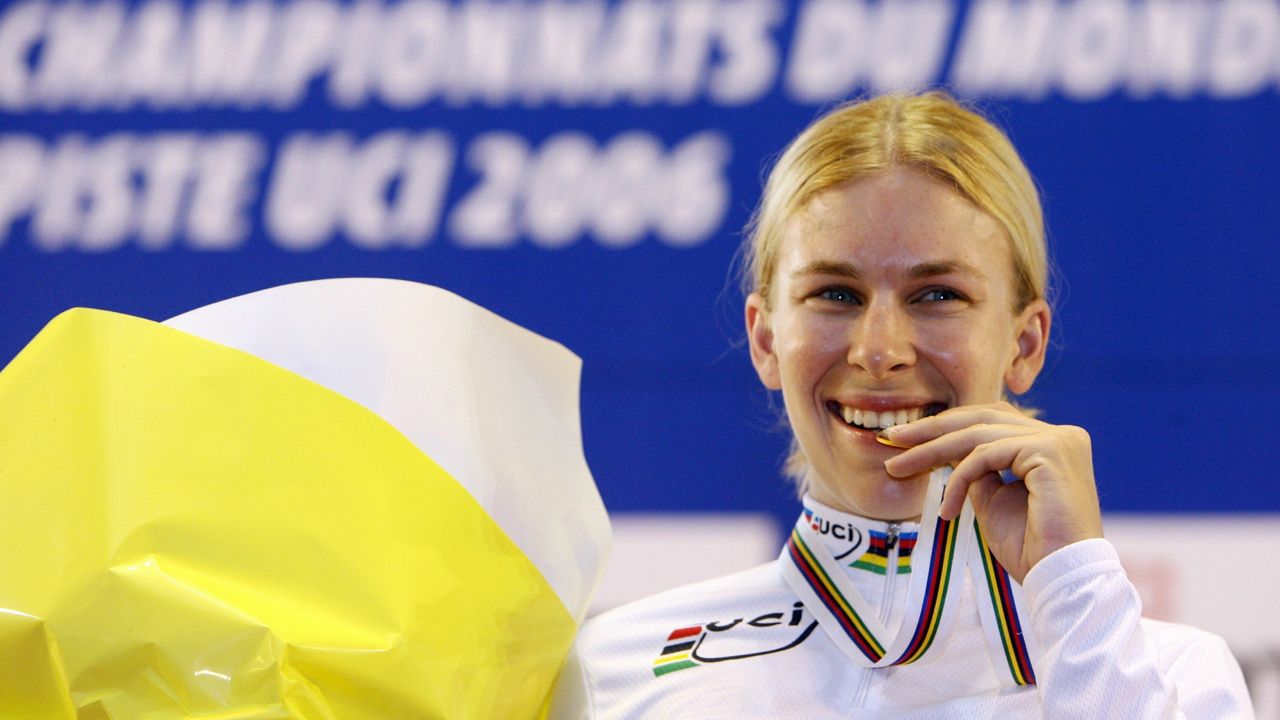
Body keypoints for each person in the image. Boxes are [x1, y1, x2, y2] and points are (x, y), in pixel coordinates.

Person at [546, 91, 1254, 718]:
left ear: (1025, 343)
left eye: (937, 295)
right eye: (836, 294)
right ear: (765, 340)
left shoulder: (1170, 677)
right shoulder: (616, 672)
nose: (879, 350)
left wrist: (1075, 583)